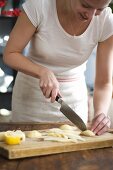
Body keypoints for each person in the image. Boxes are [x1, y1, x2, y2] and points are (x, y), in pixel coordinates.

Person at [3, 0, 113, 135]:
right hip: (31, 99)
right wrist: (41, 71)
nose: (91, 15)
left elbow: (104, 82)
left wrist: (100, 114)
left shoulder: (106, 21)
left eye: (100, 9)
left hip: (73, 103)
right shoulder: (40, 6)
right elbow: (10, 54)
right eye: (86, 5)